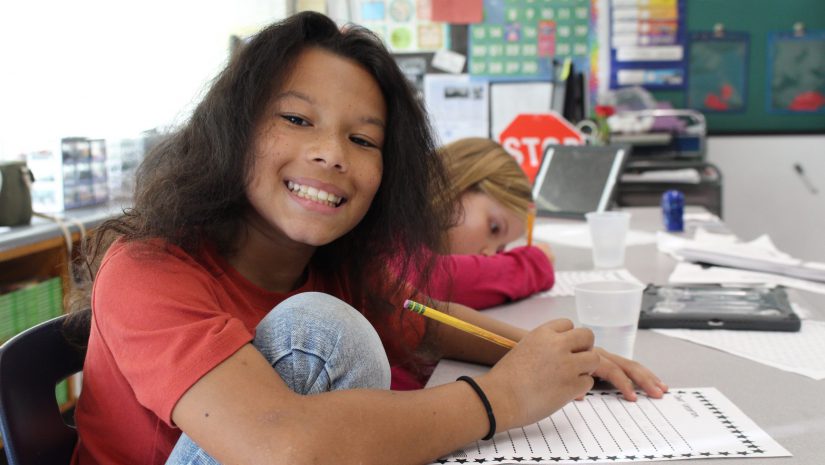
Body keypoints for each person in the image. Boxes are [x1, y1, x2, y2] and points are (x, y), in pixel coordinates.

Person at [69, 12, 667, 465]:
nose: (331, 153)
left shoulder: (330, 261)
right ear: (234, 131)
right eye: (297, 120)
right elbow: (279, 444)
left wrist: (555, 357)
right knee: (321, 330)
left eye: (364, 140)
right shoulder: (145, 268)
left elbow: (428, 318)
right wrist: (502, 400)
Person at [427, 137, 556, 310]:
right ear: (456, 185)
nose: (490, 255)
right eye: (494, 228)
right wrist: (534, 265)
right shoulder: (391, 230)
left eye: (501, 249)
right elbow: (433, 280)